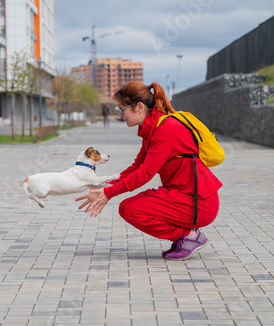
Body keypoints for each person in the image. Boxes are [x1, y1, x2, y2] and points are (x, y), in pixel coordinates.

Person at [76, 81, 222, 260]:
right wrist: (103, 185)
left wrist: (109, 193)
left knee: (133, 210)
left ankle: (190, 236)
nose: (121, 115)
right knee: (126, 207)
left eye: (122, 109)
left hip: (198, 202)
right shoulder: (153, 129)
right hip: (182, 195)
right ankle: (186, 236)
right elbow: (136, 167)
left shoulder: (167, 130)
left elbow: (145, 173)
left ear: (138, 107)